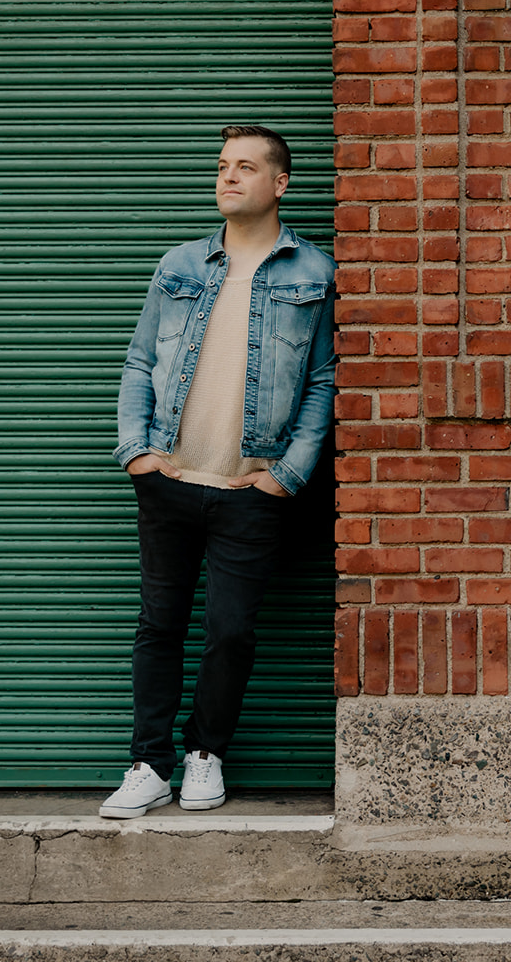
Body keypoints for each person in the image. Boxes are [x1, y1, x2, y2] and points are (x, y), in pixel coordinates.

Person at [100, 124, 336, 818]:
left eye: (245, 167)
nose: (227, 177)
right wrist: (137, 452)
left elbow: (323, 381)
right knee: (159, 625)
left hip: (249, 490)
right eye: (222, 166)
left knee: (230, 630)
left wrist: (286, 474)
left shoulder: (313, 275)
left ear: (279, 183)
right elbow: (140, 361)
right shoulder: (178, 265)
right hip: (169, 479)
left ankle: (206, 754)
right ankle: (148, 763)